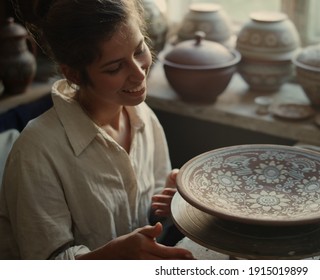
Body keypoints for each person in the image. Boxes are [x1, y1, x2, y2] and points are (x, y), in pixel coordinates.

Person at [0, 0, 193, 260]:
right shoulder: (36, 152)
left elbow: (144, 217)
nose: (139, 75)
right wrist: (111, 256)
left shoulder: (144, 118)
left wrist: (165, 206)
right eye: (115, 67)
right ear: (75, 75)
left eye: (139, 51)